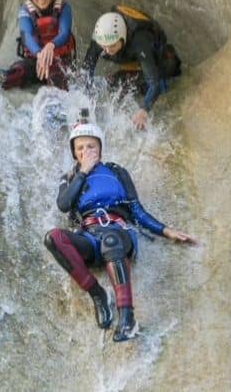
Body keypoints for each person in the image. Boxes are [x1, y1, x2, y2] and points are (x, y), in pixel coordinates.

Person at [43, 111, 196, 342]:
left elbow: (136, 210)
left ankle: (127, 317)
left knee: (111, 240)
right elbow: (64, 205)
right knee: (53, 238)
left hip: (119, 233)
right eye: (81, 148)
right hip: (90, 237)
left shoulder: (116, 171)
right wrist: (82, 172)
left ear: (100, 149)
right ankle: (98, 295)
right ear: (74, 153)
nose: (87, 152)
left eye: (91, 146)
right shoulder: (70, 177)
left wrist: (166, 230)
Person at [83, 6, 182, 130]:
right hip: (131, 58)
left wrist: (144, 109)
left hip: (158, 57)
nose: (107, 51)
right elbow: (86, 71)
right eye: (104, 47)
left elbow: (154, 83)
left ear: (122, 38)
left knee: (160, 78)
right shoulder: (101, 38)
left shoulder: (140, 41)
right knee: (113, 85)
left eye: (112, 46)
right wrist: (85, 99)